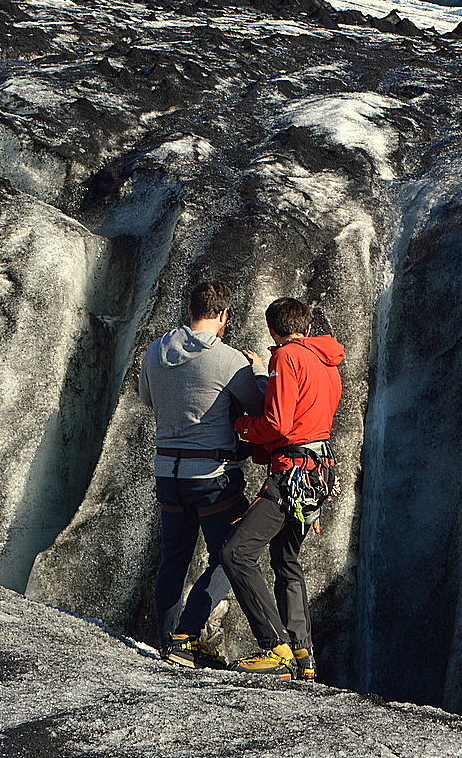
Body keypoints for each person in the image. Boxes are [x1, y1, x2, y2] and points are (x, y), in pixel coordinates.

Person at [138, 280, 266, 669]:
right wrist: (258, 368)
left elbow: (146, 399)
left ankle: (167, 641)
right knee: (232, 555)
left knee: (173, 559)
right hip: (212, 476)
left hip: (167, 472)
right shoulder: (229, 360)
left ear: (189, 310)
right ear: (224, 315)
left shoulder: (155, 351)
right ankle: (186, 637)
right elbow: (260, 404)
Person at [222, 297, 344, 680]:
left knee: (237, 552)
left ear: (273, 330)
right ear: (306, 326)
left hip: (291, 474)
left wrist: (241, 426)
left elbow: (277, 423)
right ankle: (304, 654)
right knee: (286, 559)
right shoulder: (328, 363)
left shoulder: (288, 357)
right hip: (317, 474)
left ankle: (276, 648)